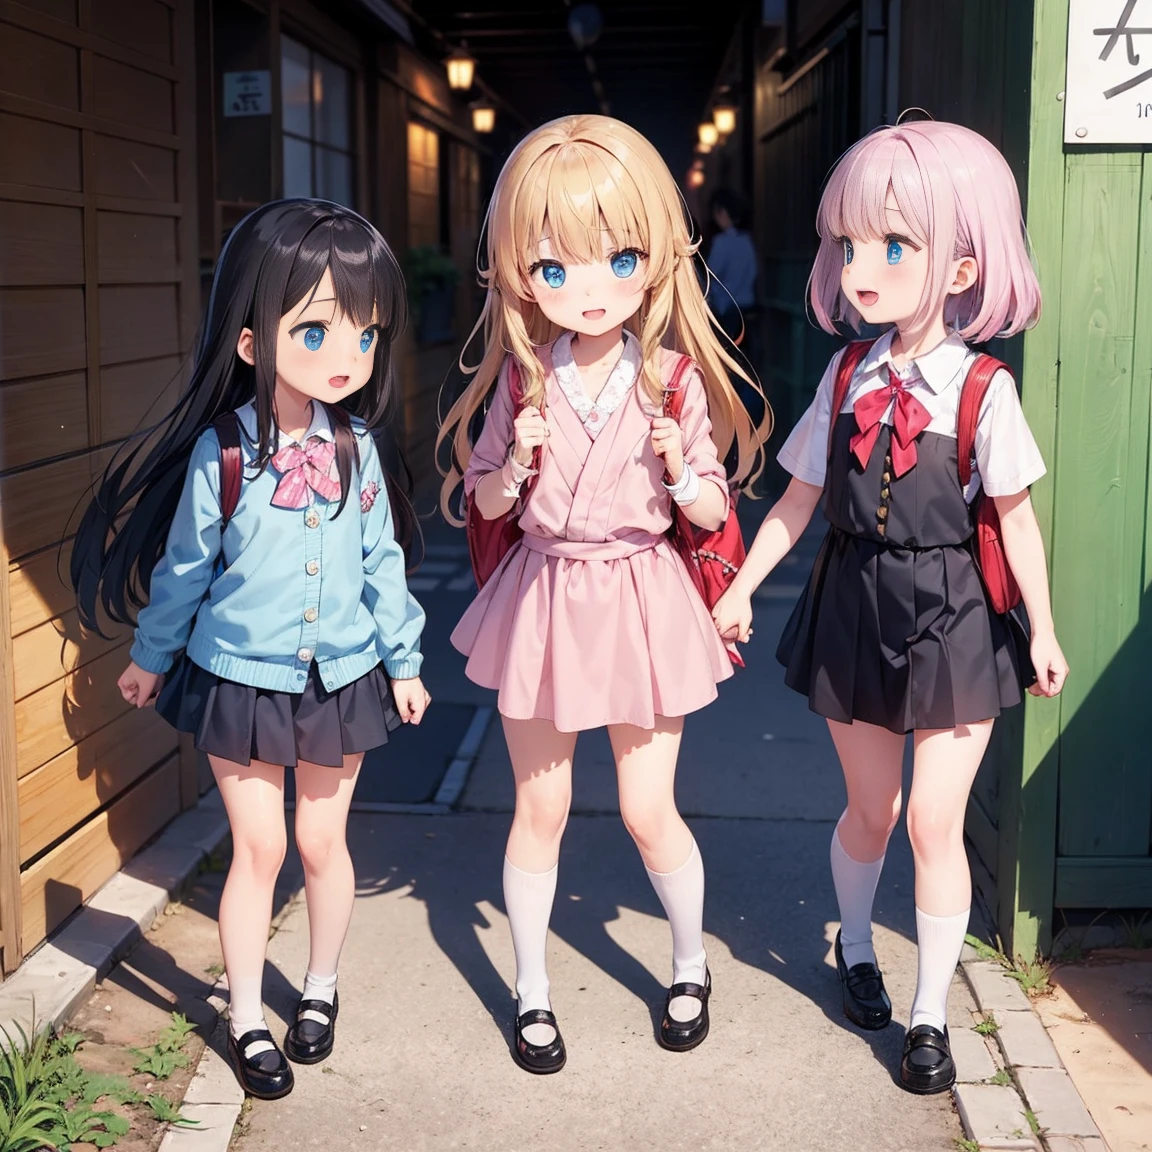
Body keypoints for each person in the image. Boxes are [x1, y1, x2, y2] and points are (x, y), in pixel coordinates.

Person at [711, 120, 1069, 1094]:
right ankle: (858, 947)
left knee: (932, 825)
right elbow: (794, 502)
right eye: (850, 244)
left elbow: (1016, 520)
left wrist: (1041, 626)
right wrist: (740, 590)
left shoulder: (985, 390)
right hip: (855, 603)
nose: (862, 268)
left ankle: (928, 1015)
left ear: (961, 264)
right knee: (873, 810)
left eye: (893, 246)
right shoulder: (842, 377)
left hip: (955, 612)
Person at [72, 199, 431, 1099]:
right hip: (241, 680)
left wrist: (407, 660)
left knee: (322, 842)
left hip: (343, 678)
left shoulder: (361, 451)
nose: (348, 356)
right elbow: (187, 573)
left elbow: (383, 563)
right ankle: (245, 1017)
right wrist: (152, 657)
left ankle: (320, 987)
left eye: (365, 334)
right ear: (248, 342)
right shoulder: (223, 455)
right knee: (259, 850)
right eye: (316, 331)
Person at [436, 114, 769, 1074]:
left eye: (619, 259)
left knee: (645, 808)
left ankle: (688, 963)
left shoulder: (669, 378)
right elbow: (486, 494)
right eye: (556, 268)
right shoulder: (520, 375)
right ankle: (532, 994)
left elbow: (709, 508)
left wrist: (680, 471)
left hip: (640, 596)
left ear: (657, 257)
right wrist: (518, 464)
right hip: (546, 595)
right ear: (520, 272)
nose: (590, 289)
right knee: (536, 810)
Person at [706, 188, 758, 343]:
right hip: (748, 304)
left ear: (722, 212)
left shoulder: (721, 242)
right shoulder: (747, 240)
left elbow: (711, 273)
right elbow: (754, 271)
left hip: (727, 309)